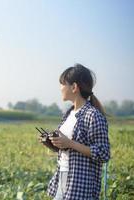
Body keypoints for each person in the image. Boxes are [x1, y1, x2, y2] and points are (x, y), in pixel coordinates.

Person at [43, 64, 110, 200]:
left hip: (80, 182)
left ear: (74, 87)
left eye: (62, 84)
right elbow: (68, 148)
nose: (60, 88)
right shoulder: (69, 113)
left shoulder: (93, 115)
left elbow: (104, 153)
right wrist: (52, 144)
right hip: (63, 174)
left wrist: (70, 143)